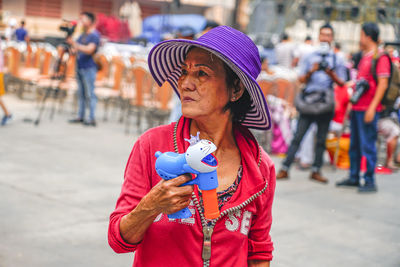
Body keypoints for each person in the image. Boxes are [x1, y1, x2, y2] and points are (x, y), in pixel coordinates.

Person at [108, 26, 276, 266]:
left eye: (202, 73)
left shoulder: (260, 168)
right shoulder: (151, 145)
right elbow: (118, 239)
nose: (185, 83)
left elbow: (259, 252)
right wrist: (150, 206)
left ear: (236, 89)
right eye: (184, 72)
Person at [276, 24, 347, 183]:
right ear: (319, 36)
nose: (325, 38)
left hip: (325, 102)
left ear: (332, 38)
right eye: (323, 35)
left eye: (328, 35)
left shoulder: (337, 59)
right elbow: (300, 79)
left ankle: (316, 170)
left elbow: (342, 83)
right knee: (298, 136)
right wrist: (312, 71)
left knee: (321, 139)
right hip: (309, 101)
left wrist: (330, 73)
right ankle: (285, 168)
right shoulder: (310, 56)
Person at [336, 22, 391, 193]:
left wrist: (372, 108)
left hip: (368, 109)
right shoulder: (365, 56)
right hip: (358, 108)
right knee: (355, 145)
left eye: (361, 35)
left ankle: (369, 180)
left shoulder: (379, 57)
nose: (359, 39)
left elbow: (382, 84)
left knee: (368, 145)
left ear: (367, 36)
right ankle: (354, 176)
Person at [68, 12, 100, 126]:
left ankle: (91, 118)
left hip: (89, 68)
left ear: (90, 21)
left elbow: (90, 50)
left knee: (90, 94)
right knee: (80, 93)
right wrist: (71, 46)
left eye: (83, 19)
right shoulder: (82, 35)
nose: (80, 21)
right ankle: (80, 116)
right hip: (80, 66)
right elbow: (75, 50)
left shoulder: (94, 35)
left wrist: (75, 44)